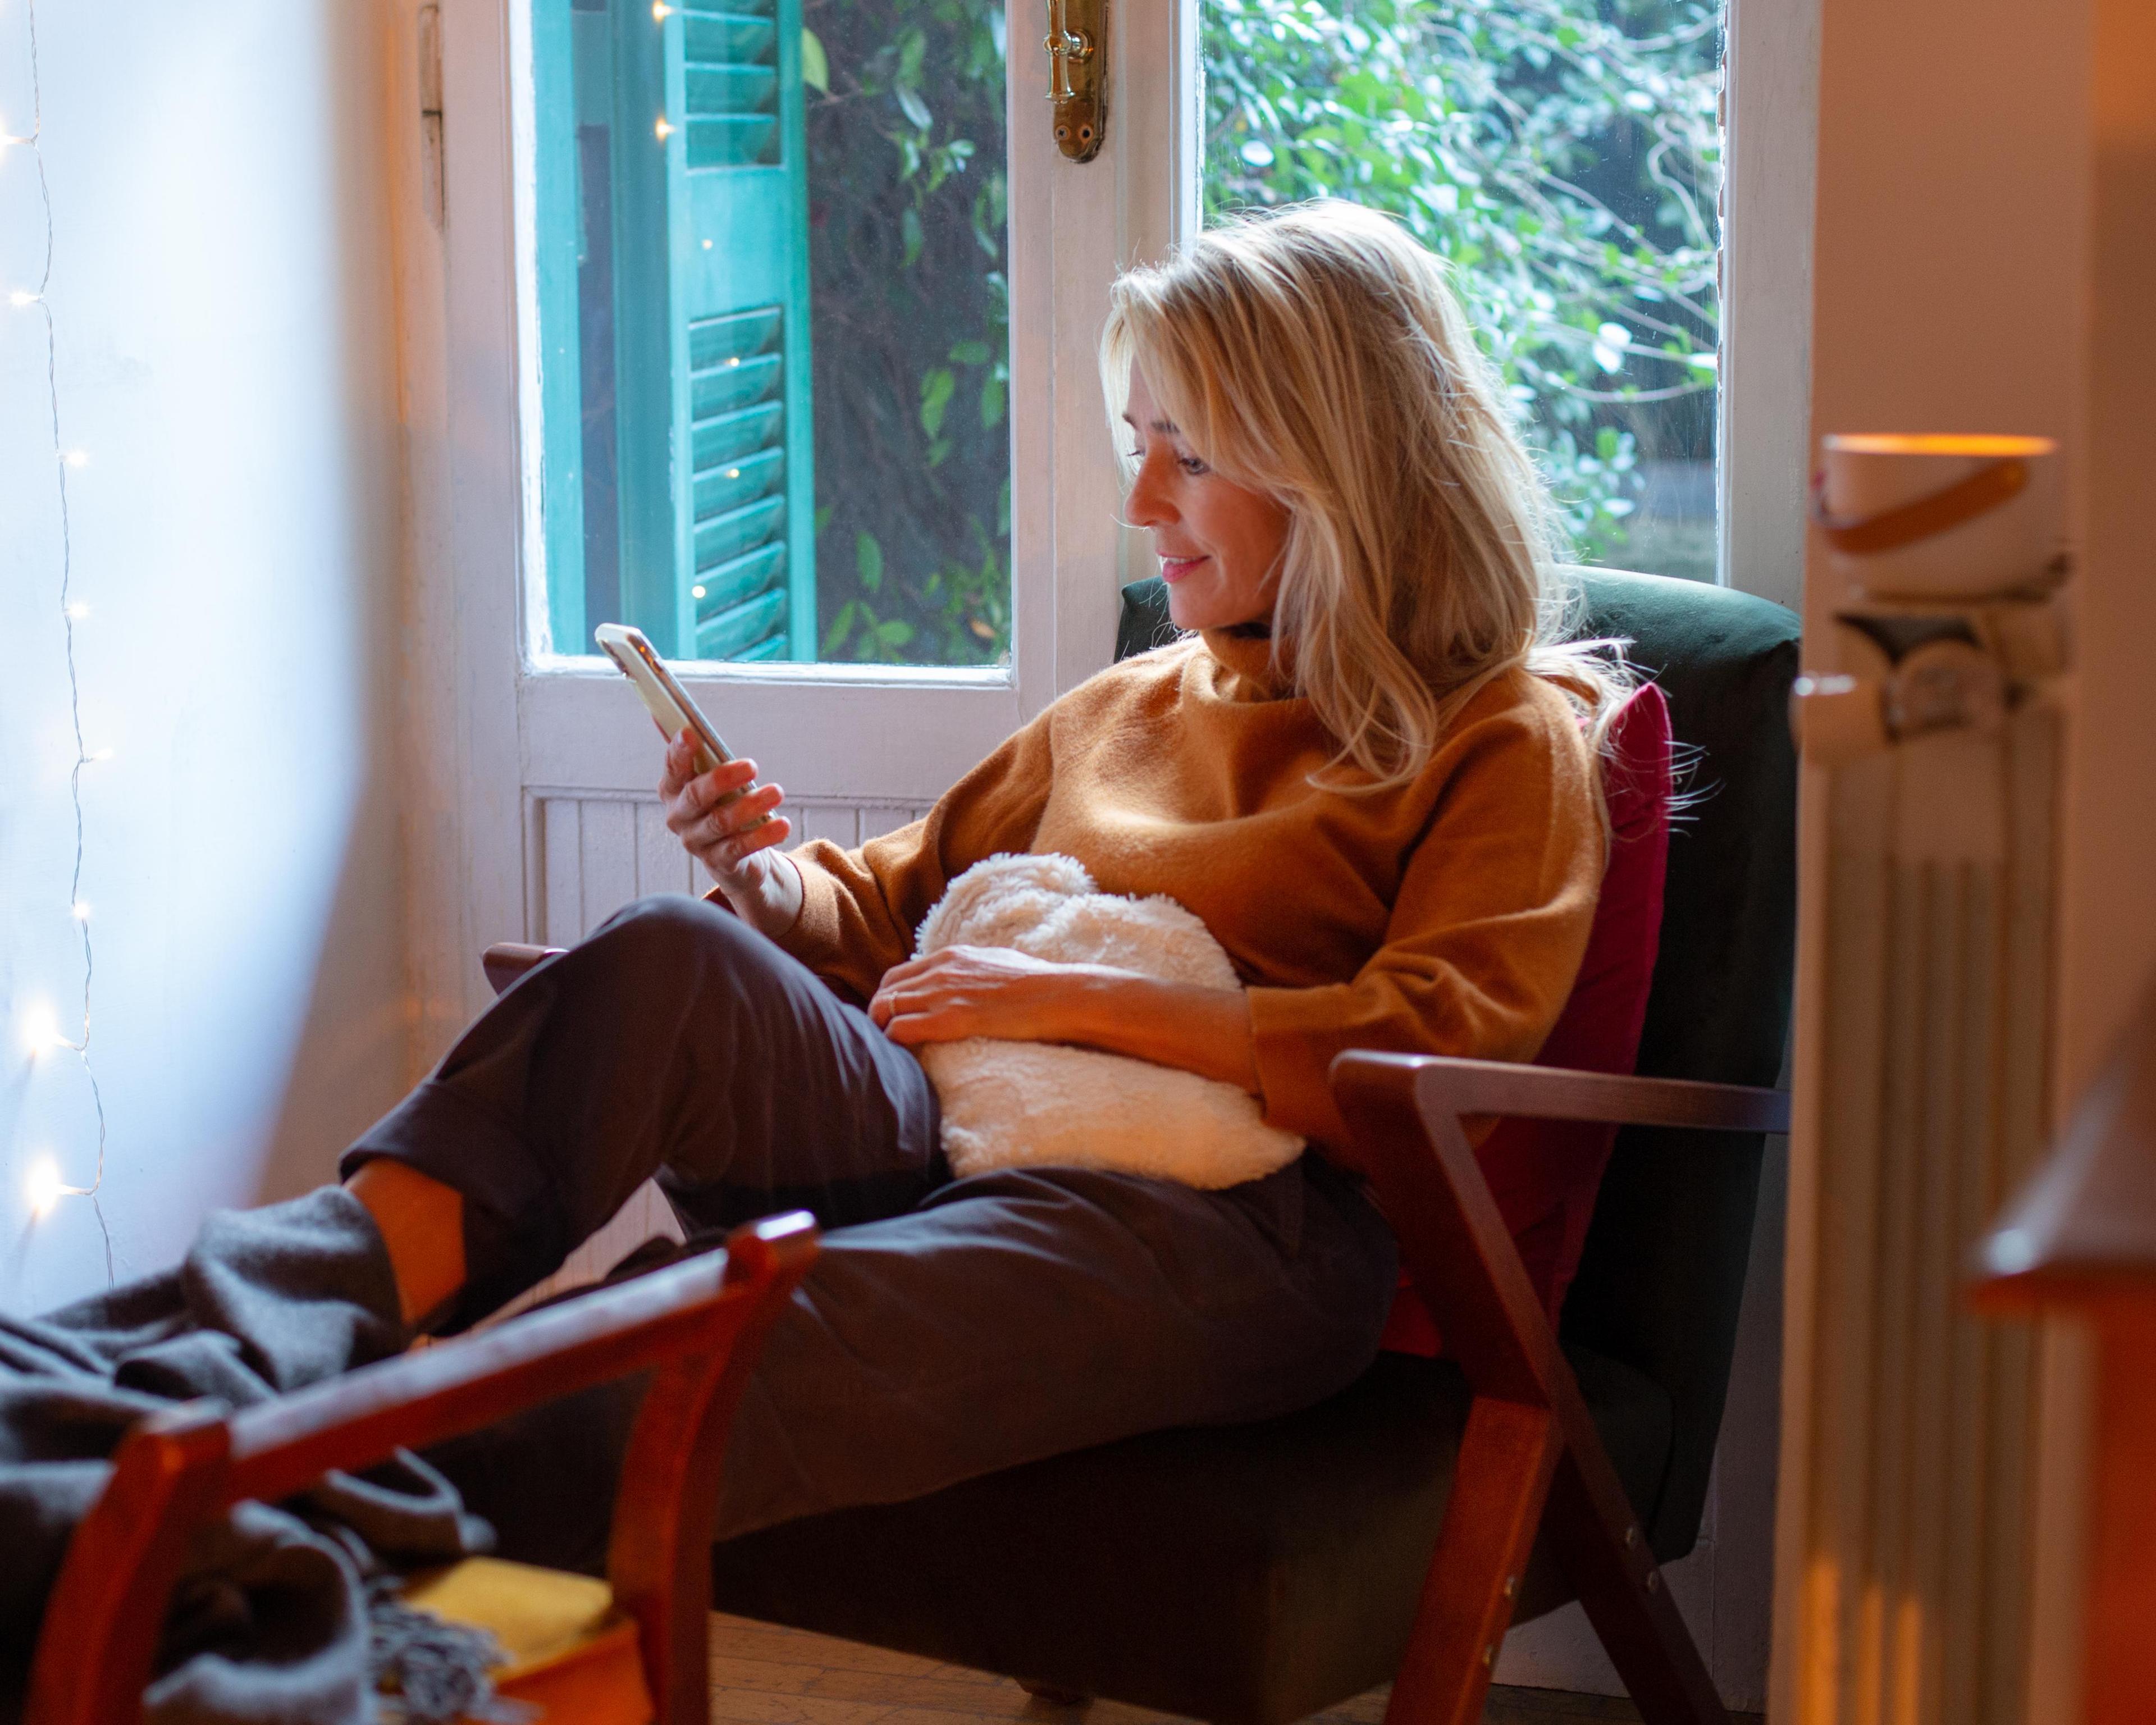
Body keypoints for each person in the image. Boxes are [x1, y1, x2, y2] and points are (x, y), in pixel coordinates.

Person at [343, 198, 1625, 1552]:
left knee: (761, 1317)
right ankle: (269, 1343)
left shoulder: (1500, 732)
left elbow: (1427, 1055)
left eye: (1185, 461)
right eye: (1142, 450)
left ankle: (301, 1498)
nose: (1141, 505)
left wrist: (1062, 998)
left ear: (1339, 467)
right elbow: (892, 910)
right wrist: (767, 883)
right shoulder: (1126, 706)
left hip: (1231, 1226)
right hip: (955, 1134)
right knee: (675, 952)